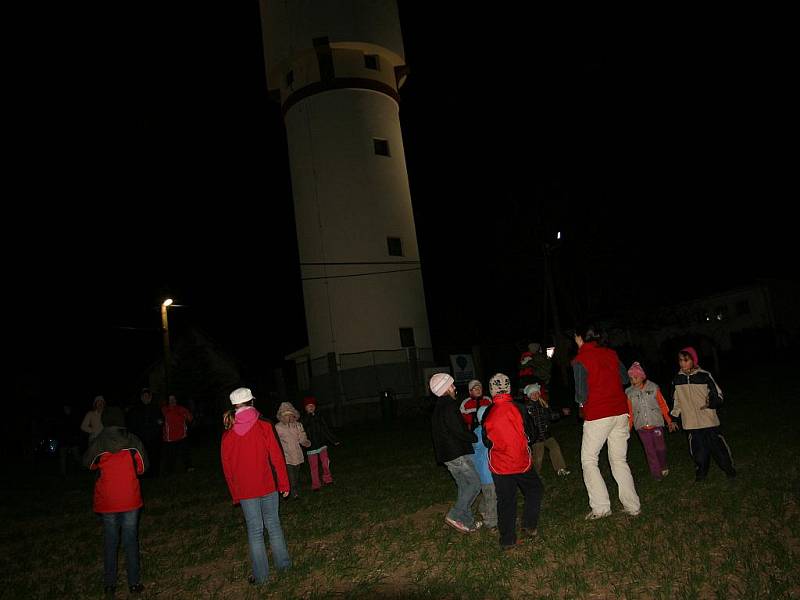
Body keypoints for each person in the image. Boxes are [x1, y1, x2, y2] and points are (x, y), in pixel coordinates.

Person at [221, 387, 291, 586]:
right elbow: (277, 457)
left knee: (255, 531)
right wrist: (284, 483)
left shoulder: (227, 436)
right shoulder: (264, 426)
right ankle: (284, 567)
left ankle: (261, 577)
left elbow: (228, 470)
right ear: (252, 402)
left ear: (234, 406)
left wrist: (235, 494)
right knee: (274, 525)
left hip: (246, 491)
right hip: (268, 485)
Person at [572, 324, 641, 520]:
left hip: (598, 414)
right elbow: (623, 378)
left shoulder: (580, 359)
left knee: (589, 460)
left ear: (580, 338)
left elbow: (581, 393)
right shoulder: (610, 353)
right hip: (620, 412)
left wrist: (581, 408)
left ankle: (601, 507)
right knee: (619, 460)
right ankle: (632, 506)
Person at [83, 406, 148, 598]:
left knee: (110, 542)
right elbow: (143, 467)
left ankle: (110, 585)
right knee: (130, 541)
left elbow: (88, 463)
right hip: (129, 497)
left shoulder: (98, 442)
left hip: (107, 500)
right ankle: (134, 583)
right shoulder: (132, 440)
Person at [482, 372, 543, 550]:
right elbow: (531, 434)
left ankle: (507, 539)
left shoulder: (488, 411)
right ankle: (529, 525)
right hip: (520, 462)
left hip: (499, 465)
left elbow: (486, 441)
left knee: (506, 500)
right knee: (535, 489)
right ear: (508, 388)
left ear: (492, 391)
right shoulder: (520, 408)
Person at [671, 347, 736, 481]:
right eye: (680, 360)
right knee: (698, 451)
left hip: (708, 421)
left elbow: (718, 394)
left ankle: (729, 469)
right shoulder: (677, 379)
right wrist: (674, 418)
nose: (682, 363)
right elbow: (676, 401)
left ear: (693, 360)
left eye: (686, 360)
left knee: (718, 448)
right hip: (690, 424)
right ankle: (701, 472)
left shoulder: (704, 375)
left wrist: (711, 403)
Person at [429, 372, 483, 533]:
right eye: (451, 385)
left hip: (447, 455)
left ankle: (467, 521)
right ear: (446, 388)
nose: (454, 388)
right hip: (457, 454)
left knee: (463, 485)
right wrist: (473, 436)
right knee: (474, 484)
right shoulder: (450, 406)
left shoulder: (438, 408)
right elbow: (458, 429)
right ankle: (455, 514)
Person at [625, 362, 678, 480]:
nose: (633, 380)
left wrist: (669, 421)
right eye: (631, 378)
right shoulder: (629, 393)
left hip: (656, 425)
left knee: (660, 448)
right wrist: (628, 428)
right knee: (650, 451)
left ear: (642, 376)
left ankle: (663, 465)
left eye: (636, 377)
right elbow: (630, 412)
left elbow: (663, 405)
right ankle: (656, 473)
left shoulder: (653, 388)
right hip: (641, 428)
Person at [523, 383, 570, 477]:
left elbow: (551, 416)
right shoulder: (527, 408)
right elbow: (525, 423)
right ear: (529, 395)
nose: (535, 395)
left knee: (555, 448)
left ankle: (560, 469)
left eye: (536, 393)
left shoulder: (543, 405)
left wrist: (561, 413)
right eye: (532, 394)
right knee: (538, 457)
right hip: (536, 438)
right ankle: (534, 475)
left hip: (546, 434)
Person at [300, 396, 339, 491]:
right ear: (305, 408)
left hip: (322, 444)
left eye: (312, 405)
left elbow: (325, 429)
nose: (311, 407)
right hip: (311, 447)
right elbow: (302, 428)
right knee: (314, 466)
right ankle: (316, 484)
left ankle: (327, 479)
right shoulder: (303, 418)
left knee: (325, 462)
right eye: (308, 406)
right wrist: (309, 416)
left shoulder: (319, 416)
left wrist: (333, 440)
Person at [275, 402, 311, 498]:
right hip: (286, 456)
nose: (288, 417)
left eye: (289, 415)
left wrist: (305, 441)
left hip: (297, 454)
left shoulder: (297, 425)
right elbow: (275, 440)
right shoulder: (278, 427)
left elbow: (302, 435)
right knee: (290, 475)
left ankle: (295, 487)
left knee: (296, 473)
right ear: (282, 416)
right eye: (285, 415)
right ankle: (293, 491)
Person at [127, 388, 163, 477]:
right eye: (144, 396)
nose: (146, 398)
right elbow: (132, 424)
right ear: (141, 397)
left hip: (154, 438)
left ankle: (155, 474)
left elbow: (160, 421)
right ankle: (144, 474)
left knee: (154, 456)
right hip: (141, 438)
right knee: (142, 457)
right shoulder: (135, 409)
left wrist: (157, 428)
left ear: (150, 397)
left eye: (148, 396)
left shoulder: (156, 408)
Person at [471, 405, 497, 530]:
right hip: (486, 472)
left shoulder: (479, 431)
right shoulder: (482, 432)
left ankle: (481, 508)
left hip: (488, 471)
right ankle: (491, 522)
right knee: (491, 496)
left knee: (489, 494)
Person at [161, 394, 193, 473]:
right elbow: (159, 419)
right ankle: (169, 471)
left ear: (176, 400)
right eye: (170, 399)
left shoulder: (181, 408)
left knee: (185, 454)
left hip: (182, 436)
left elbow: (190, 418)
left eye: (173, 399)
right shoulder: (164, 410)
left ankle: (189, 467)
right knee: (170, 456)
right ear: (168, 401)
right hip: (169, 438)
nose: (172, 401)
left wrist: (188, 416)